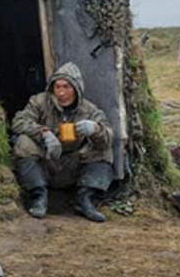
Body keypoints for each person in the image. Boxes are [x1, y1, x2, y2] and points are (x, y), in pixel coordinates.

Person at [11, 62, 114, 222]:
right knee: (23, 142)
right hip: (45, 162)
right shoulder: (39, 102)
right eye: (57, 87)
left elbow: (107, 137)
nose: (61, 93)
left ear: (77, 89)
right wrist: (44, 133)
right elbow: (19, 121)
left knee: (104, 149)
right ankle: (38, 196)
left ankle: (85, 199)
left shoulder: (89, 110)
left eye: (66, 87)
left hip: (73, 165)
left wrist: (95, 129)